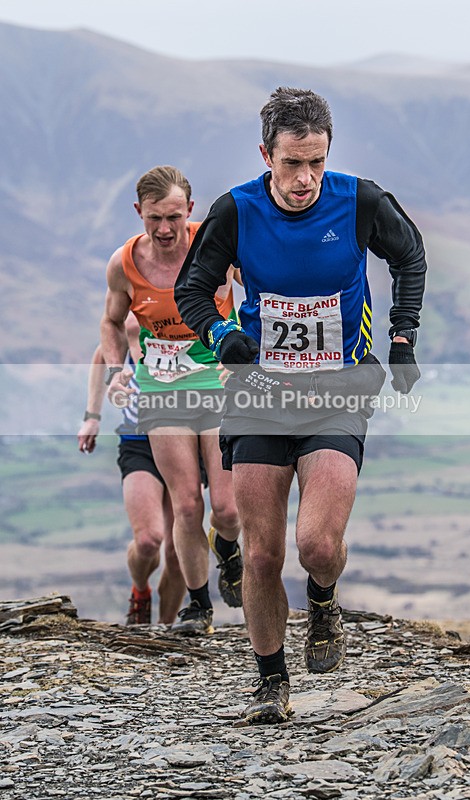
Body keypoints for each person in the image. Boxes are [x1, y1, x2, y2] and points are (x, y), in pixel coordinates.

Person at [175, 87, 427, 723]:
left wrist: (401, 337)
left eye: (316, 161)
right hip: (259, 398)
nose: (305, 179)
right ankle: (270, 679)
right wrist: (220, 336)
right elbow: (193, 288)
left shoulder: (360, 200)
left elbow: (410, 255)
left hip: (337, 391)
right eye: (292, 163)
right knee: (262, 552)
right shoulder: (235, 211)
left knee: (317, 542)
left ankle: (322, 598)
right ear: (267, 154)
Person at [100, 165, 243, 637]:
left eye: (174, 217)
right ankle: (199, 607)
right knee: (185, 505)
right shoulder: (124, 264)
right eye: (154, 218)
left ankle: (229, 549)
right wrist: (121, 365)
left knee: (226, 508)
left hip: (215, 382)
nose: (164, 229)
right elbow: (111, 322)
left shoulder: (214, 245)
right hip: (161, 387)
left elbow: (259, 291)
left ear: (191, 211)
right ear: (139, 212)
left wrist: (242, 345)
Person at [77, 314, 186, 625]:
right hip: (139, 438)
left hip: (188, 437)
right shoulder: (136, 298)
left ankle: (164, 631)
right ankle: (140, 590)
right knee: (150, 540)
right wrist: (92, 415)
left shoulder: (200, 288)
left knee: (178, 552)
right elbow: (103, 351)